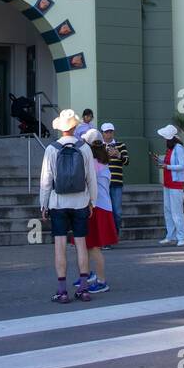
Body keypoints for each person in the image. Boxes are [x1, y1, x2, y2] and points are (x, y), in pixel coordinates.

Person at [39, 108, 98, 303]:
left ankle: (62, 290)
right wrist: (93, 201)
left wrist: (43, 205)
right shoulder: (84, 148)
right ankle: (83, 288)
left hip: (58, 203)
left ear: (60, 128)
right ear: (75, 126)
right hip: (81, 201)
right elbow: (91, 178)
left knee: (60, 246)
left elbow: (46, 181)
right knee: (81, 244)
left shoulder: (51, 149)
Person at [79, 128, 118, 291]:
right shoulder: (102, 161)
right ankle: (88, 274)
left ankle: (101, 281)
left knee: (94, 246)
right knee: (89, 244)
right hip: (101, 205)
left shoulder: (92, 163)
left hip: (97, 207)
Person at [151, 124, 184, 246]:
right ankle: (170, 235)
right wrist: (160, 161)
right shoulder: (171, 149)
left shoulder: (178, 148)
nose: (164, 140)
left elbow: (183, 166)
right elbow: (168, 163)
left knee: (177, 211)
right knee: (168, 210)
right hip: (167, 184)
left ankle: (181, 236)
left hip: (176, 184)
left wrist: (167, 166)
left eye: (165, 137)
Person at [101, 123, 129, 240]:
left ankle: (114, 234)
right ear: (102, 133)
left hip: (116, 182)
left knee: (117, 212)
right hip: (102, 184)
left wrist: (118, 155)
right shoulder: (99, 146)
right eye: (106, 132)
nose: (109, 134)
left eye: (111, 131)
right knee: (105, 212)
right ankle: (108, 236)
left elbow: (126, 161)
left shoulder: (120, 145)